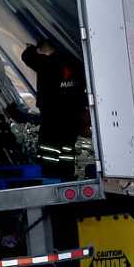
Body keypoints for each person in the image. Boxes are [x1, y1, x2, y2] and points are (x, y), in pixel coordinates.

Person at [20, 36, 88, 176]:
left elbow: (27, 57)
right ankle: (66, 173)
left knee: (49, 148)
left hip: (52, 116)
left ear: (44, 49)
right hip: (72, 116)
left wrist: (31, 47)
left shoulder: (46, 63)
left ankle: (50, 173)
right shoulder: (75, 63)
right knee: (67, 147)